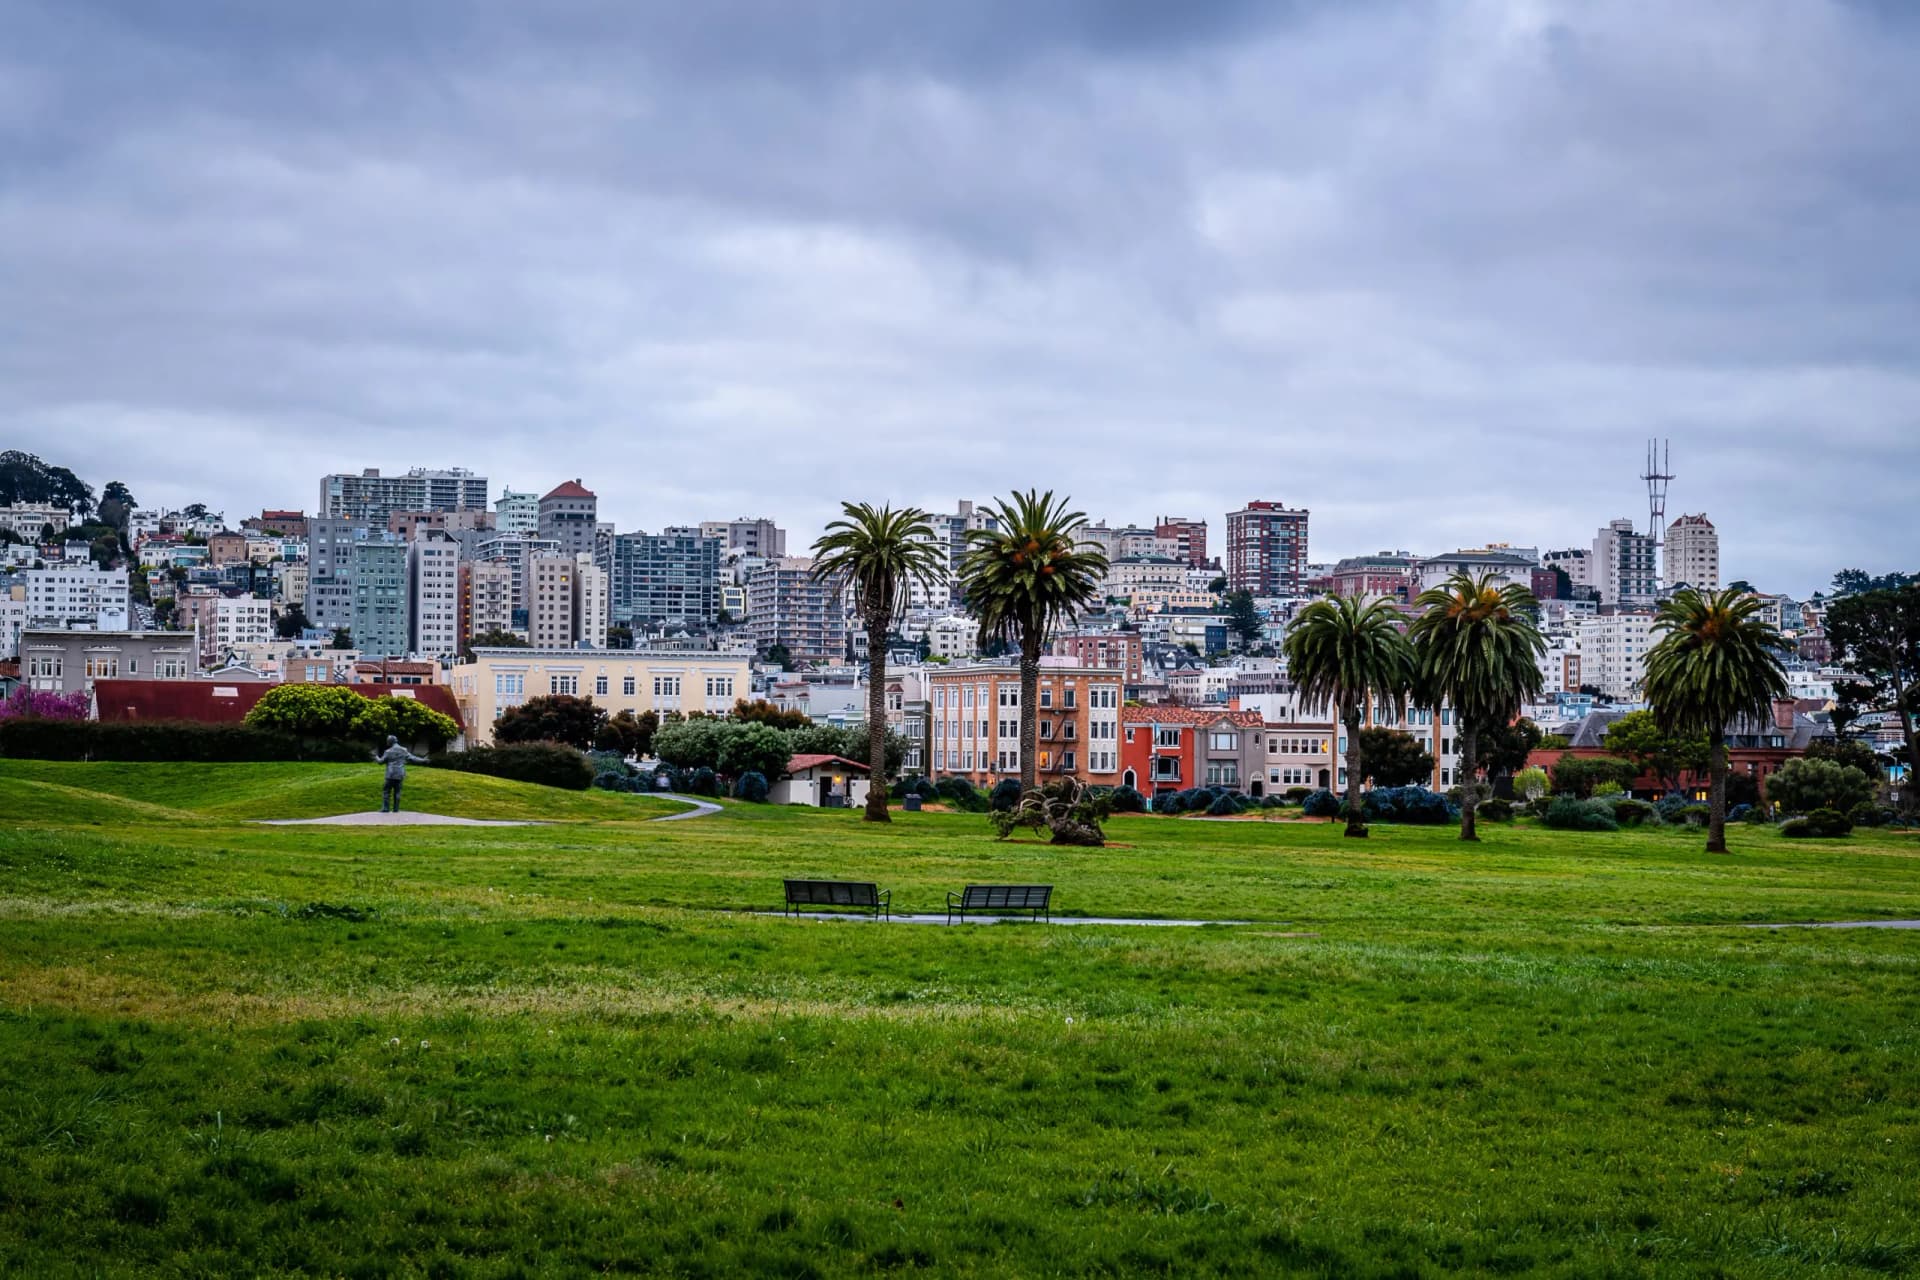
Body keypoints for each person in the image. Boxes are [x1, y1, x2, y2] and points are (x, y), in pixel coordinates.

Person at [374, 735, 428, 813]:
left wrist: (376, 757)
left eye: (387, 741)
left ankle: (386, 808)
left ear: (390, 741)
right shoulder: (404, 750)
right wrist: (423, 760)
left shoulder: (388, 751)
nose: (387, 742)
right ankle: (396, 809)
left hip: (390, 774)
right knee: (397, 792)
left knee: (386, 791)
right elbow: (413, 758)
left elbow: (380, 762)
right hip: (400, 774)